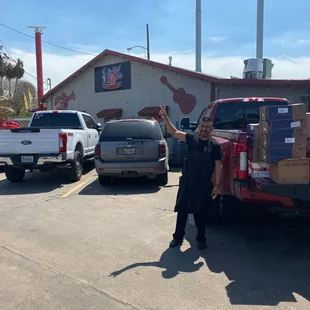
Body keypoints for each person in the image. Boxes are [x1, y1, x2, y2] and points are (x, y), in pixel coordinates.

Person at [159, 105, 223, 250]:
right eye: (202, 126)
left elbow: (219, 166)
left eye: (208, 127)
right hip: (187, 182)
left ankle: (201, 239)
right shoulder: (191, 139)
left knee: (200, 212)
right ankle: (177, 237)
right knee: (182, 211)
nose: (205, 129)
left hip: (203, 184)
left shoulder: (215, 146)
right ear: (198, 127)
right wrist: (166, 119)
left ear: (211, 129)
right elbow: (175, 132)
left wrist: (217, 185)